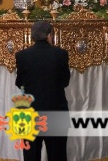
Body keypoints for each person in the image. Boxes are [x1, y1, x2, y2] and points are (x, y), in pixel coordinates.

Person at [15, 21, 70, 161]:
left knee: (30, 155)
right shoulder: (61, 54)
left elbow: (19, 83)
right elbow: (65, 82)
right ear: (49, 35)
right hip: (56, 110)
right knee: (57, 154)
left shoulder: (21, 55)